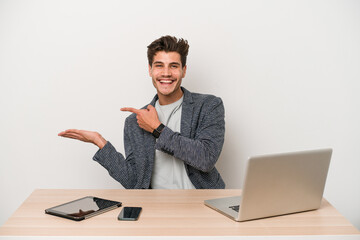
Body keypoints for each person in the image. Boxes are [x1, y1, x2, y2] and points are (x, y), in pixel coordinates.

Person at [58, 35, 225, 189]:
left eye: (173, 66)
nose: (166, 73)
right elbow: (134, 182)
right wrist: (100, 143)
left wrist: (157, 129)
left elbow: (206, 158)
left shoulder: (209, 106)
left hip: (203, 204)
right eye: (159, 66)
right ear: (150, 70)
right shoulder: (134, 122)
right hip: (155, 208)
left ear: (184, 70)